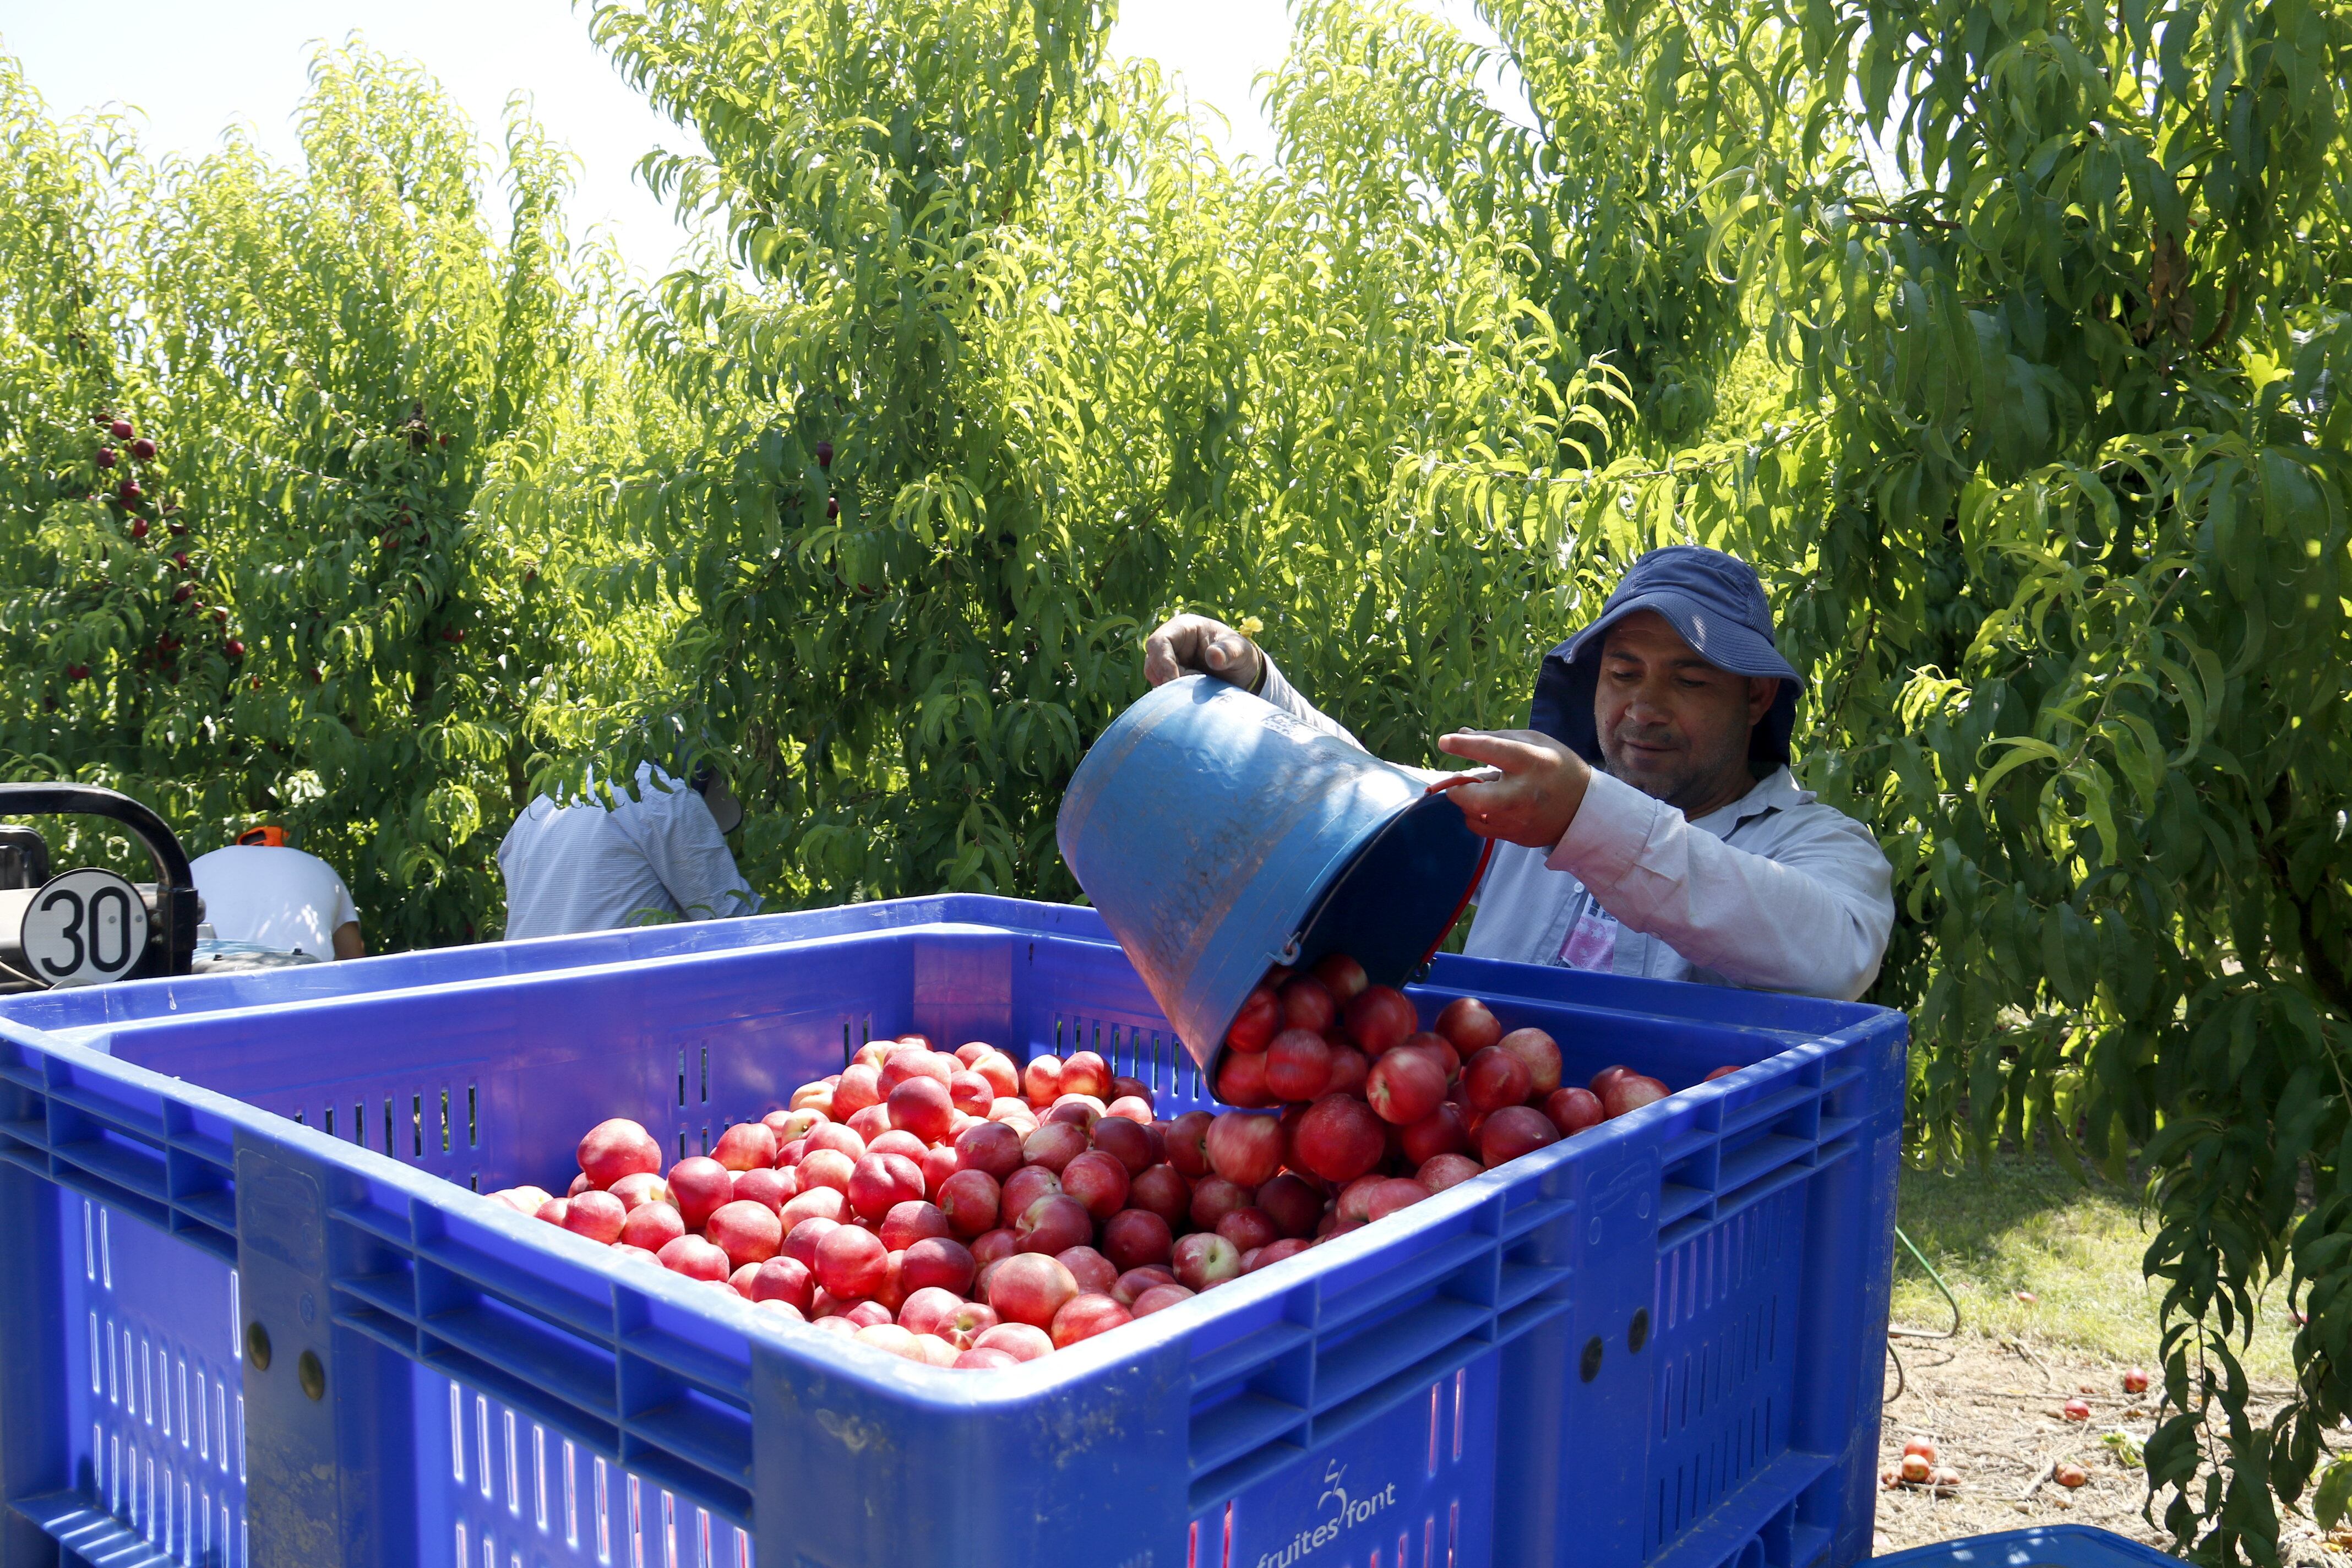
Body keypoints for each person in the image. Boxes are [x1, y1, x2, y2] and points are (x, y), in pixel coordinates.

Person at [1142, 545, 1896, 1001]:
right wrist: (1254, 690)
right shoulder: (1537, 802)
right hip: (1487, 1163)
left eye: (1689, 680)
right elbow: (1366, 791)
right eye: (1623, 673)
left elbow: (1834, 955)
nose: (1644, 708)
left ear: (1756, 697)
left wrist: (1588, 820)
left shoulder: (1816, 846)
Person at [497, 754, 759, 940]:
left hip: (526, 991)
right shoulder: (666, 793)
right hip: (614, 992)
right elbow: (732, 922)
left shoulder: (542, 807)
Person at [190, 827, 366, 960]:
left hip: (206, 971)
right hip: (301, 976)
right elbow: (353, 960)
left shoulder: (196, 866)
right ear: (283, 847)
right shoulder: (319, 868)